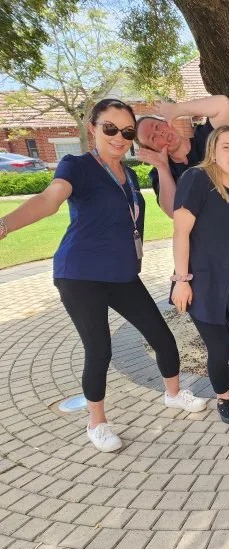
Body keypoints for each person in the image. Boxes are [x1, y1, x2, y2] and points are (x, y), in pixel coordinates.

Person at [0, 99, 206, 452]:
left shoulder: (128, 174)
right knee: (100, 348)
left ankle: (173, 394)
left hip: (122, 273)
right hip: (80, 275)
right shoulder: (77, 166)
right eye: (110, 128)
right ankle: (97, 423)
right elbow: (49, 201)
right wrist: (5, 224)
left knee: (161, 334)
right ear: (93, 128)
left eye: (126, 132)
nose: (119, 137)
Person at [136, 95, 229, 385]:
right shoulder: (167, 174)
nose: (160, 135)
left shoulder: (207, 138)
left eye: (158, 127)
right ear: (148, 148)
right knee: (221, 317)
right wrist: (161, 166)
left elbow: (222, 103)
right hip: (207, 257)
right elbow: (174, 213)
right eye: (151, 138)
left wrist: (177, 110)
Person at [171, 126, 229, 424]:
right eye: (227, 147)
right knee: (220, 346)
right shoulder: (196, 179)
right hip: (201, 280)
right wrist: (182, 280)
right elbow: (180, 231)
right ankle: (223, 399)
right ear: (212, 151)